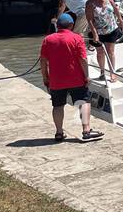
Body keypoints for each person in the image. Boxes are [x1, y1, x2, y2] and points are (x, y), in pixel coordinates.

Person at [39, 13, 103, 142]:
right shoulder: (76, 38)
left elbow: (43, 61)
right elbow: (83, 59)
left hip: (56, 80)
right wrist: (87, 76)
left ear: (57, 26)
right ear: (71, 25)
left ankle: (58, 132)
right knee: (83, 102)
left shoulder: (48, 39)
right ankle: (86, 130)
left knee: (57, 106)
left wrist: (45, 77)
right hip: (76, 78)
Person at [85, 0, 123, 82]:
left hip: (111, 28)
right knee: (100, 53)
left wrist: (121, 21)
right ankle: (102, 72)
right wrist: (94, 34)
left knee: (111, 52)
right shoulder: (90, 3)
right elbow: (89, 20)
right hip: (98, 32)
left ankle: (113, 73)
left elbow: (115, 9)